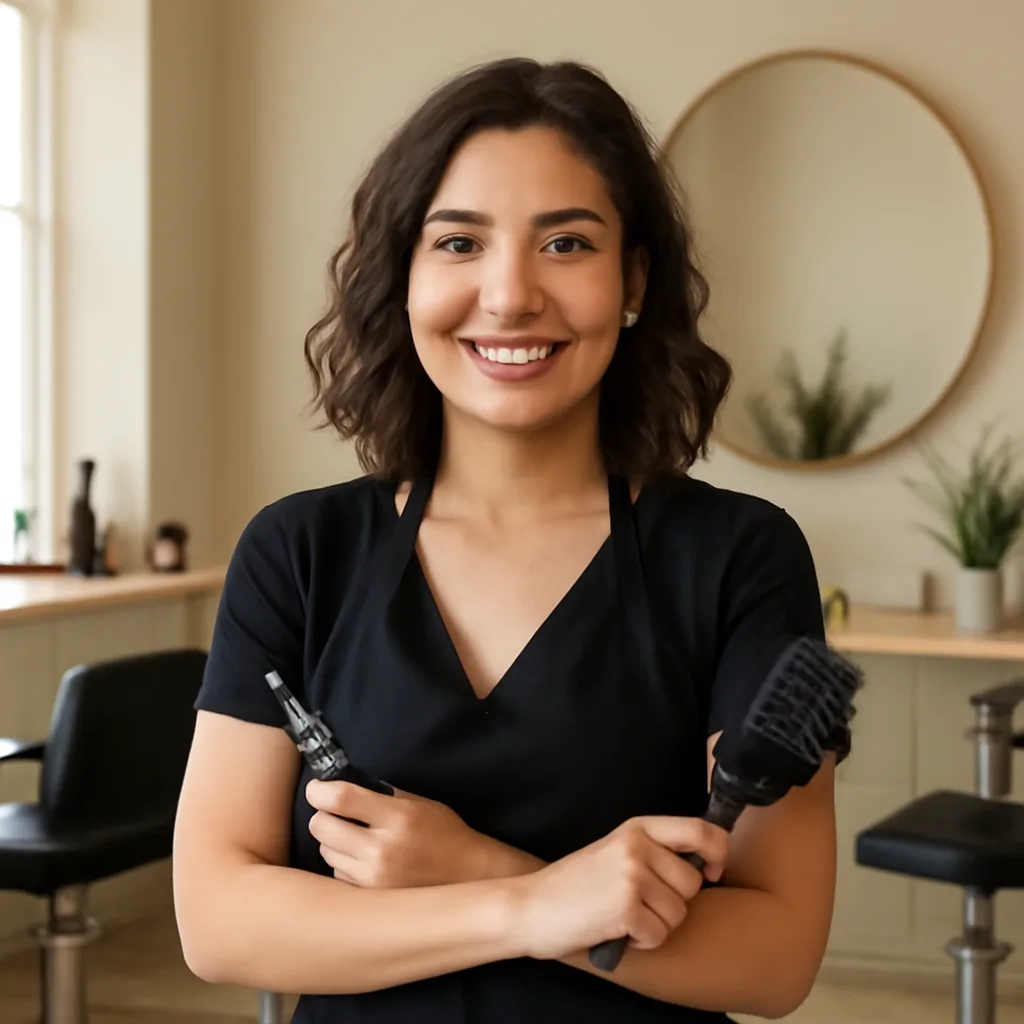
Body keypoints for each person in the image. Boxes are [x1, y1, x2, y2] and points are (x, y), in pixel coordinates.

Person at [172, 56, 841, 1023]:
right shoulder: (297, 553)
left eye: (566, 243)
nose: (510, 294)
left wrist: (467, 866)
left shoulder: (741, 557)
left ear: (635, 281)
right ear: (403, 276)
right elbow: (219, 922)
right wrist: (527, 902)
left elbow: (773, 960)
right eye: (459, 243)